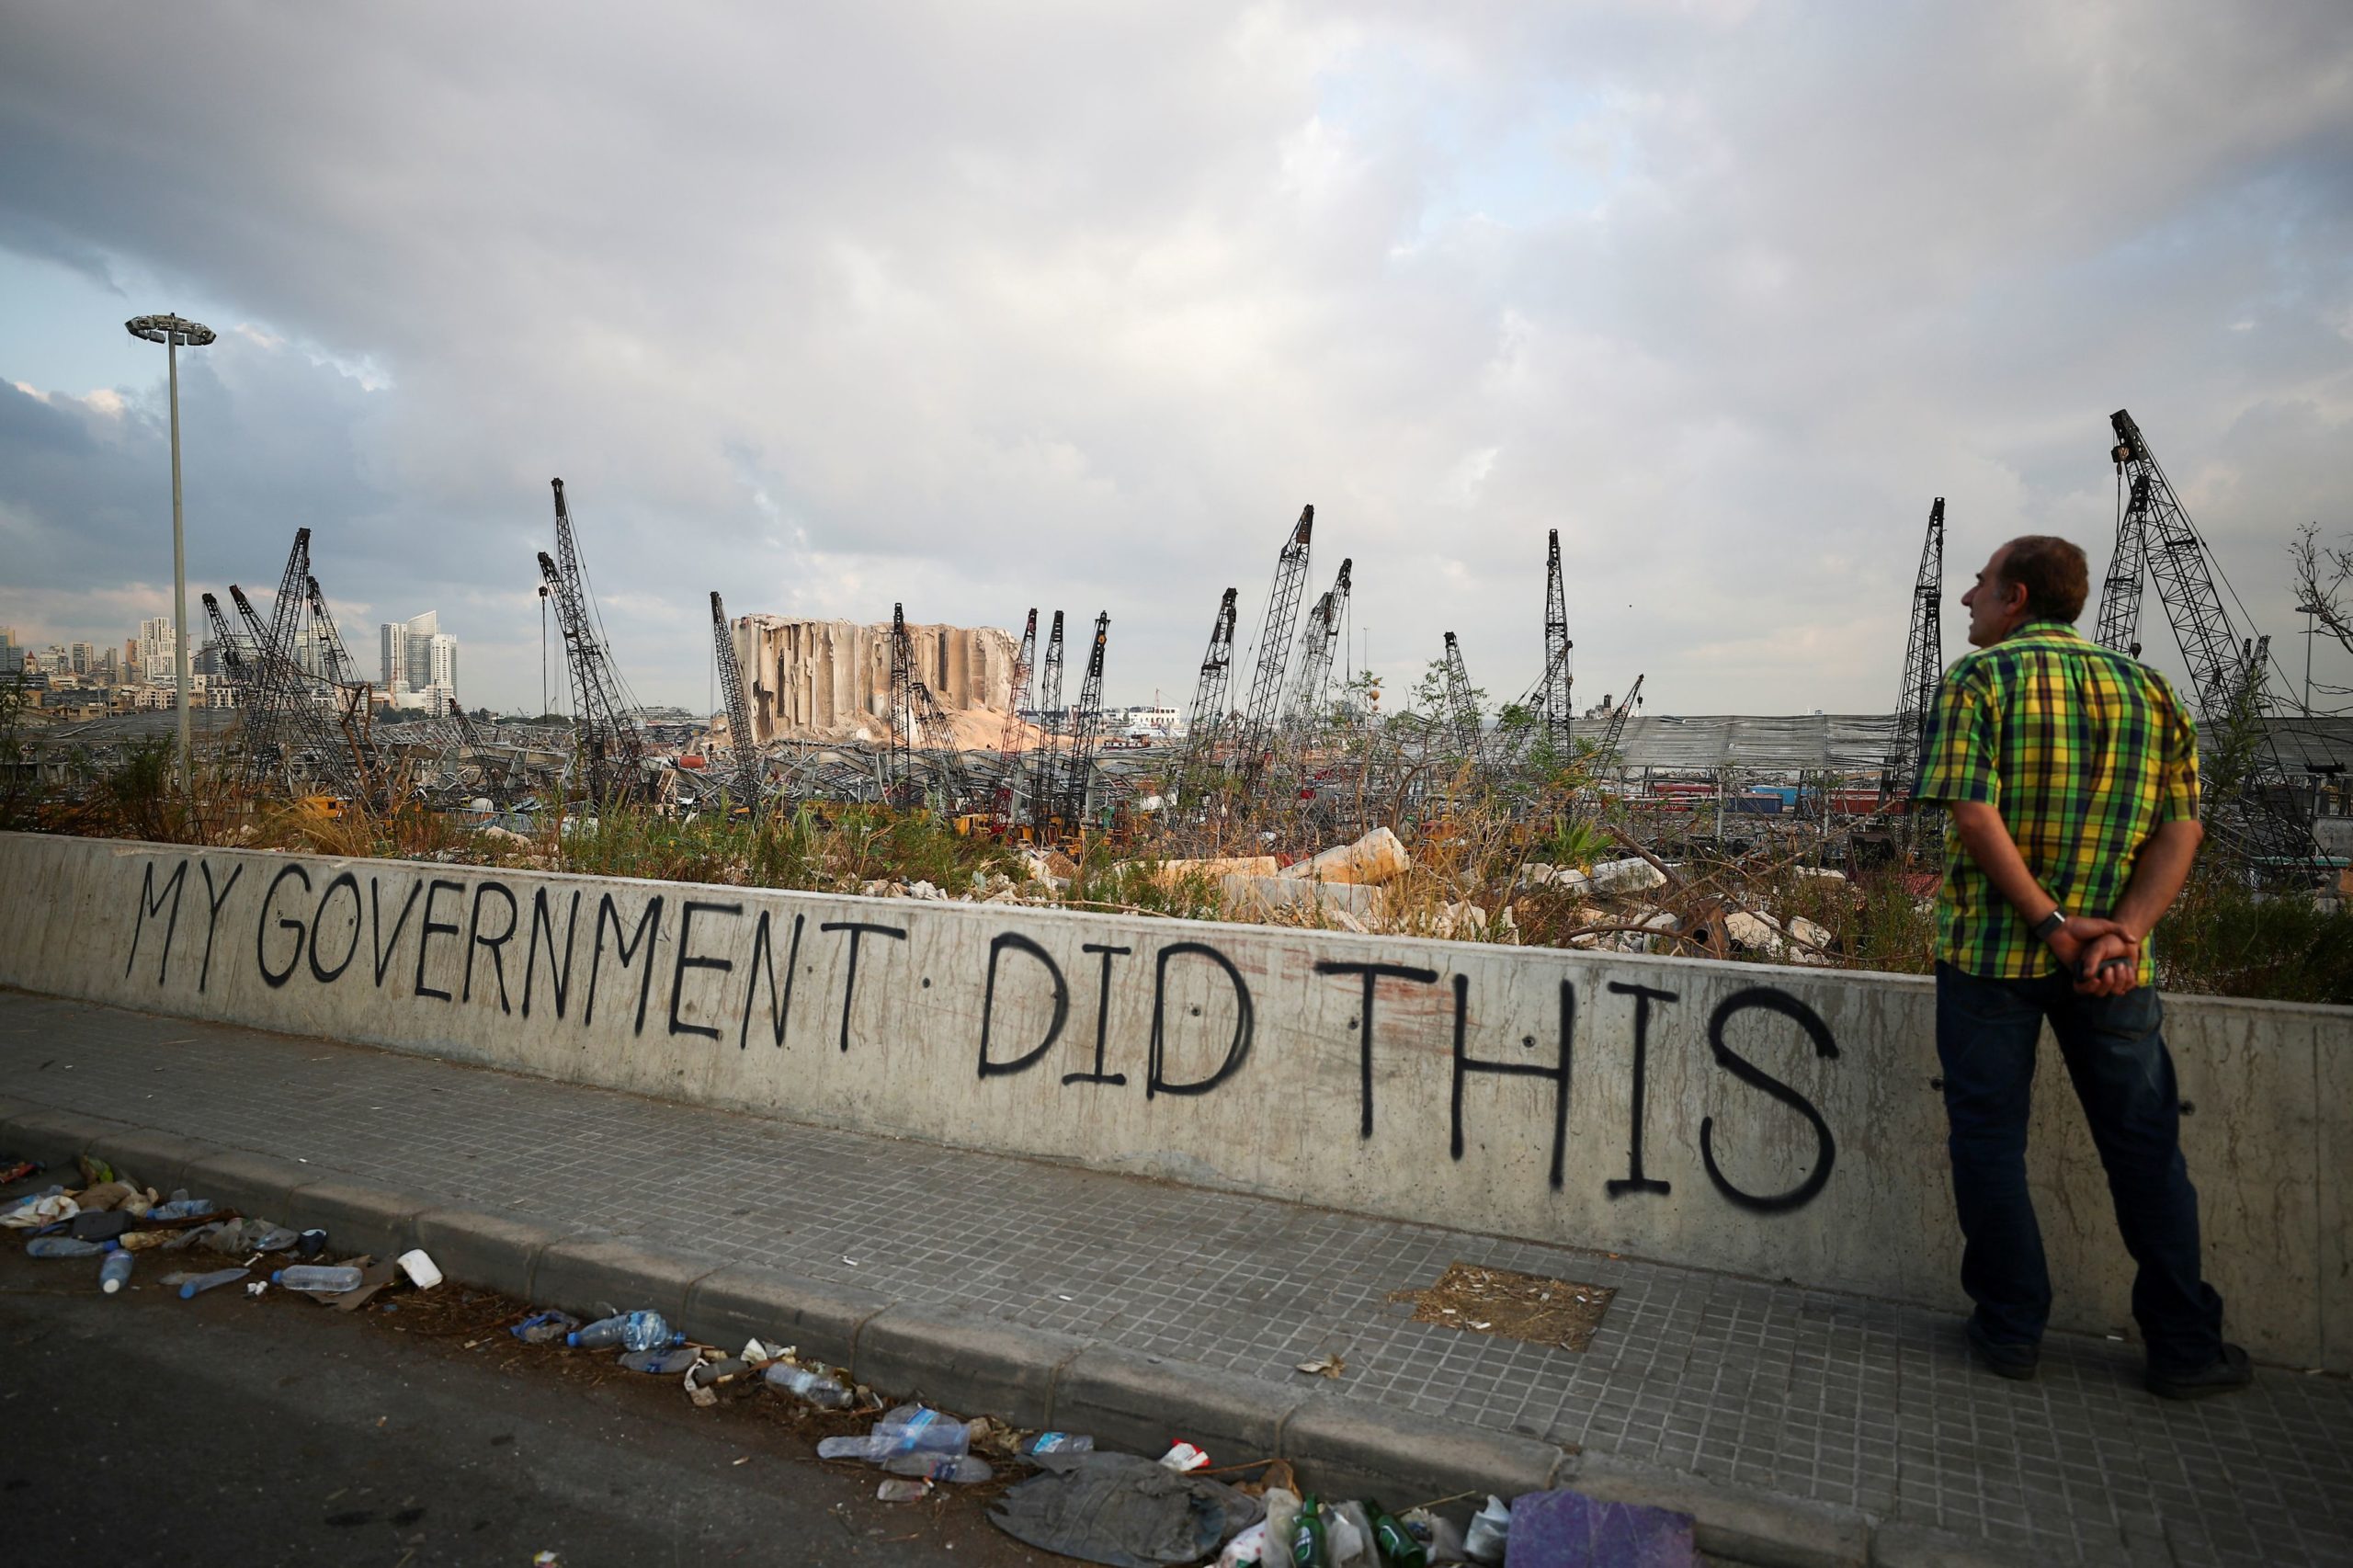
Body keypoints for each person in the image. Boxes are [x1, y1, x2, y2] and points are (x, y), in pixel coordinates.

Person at [1913, 534, 2249, 1399]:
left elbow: (1974, 816)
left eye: (1978, 586)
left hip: (1994, 956)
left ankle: (2011, 1329)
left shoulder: (1980, 681)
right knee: (2144, 1148)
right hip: (2114, 970)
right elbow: (2183, 829)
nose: (1966, 601)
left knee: (1989, 1142)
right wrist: (2123, 933)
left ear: (2016, 597)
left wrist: (2054, 924)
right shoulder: (2151, 689)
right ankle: (2184, 1346)